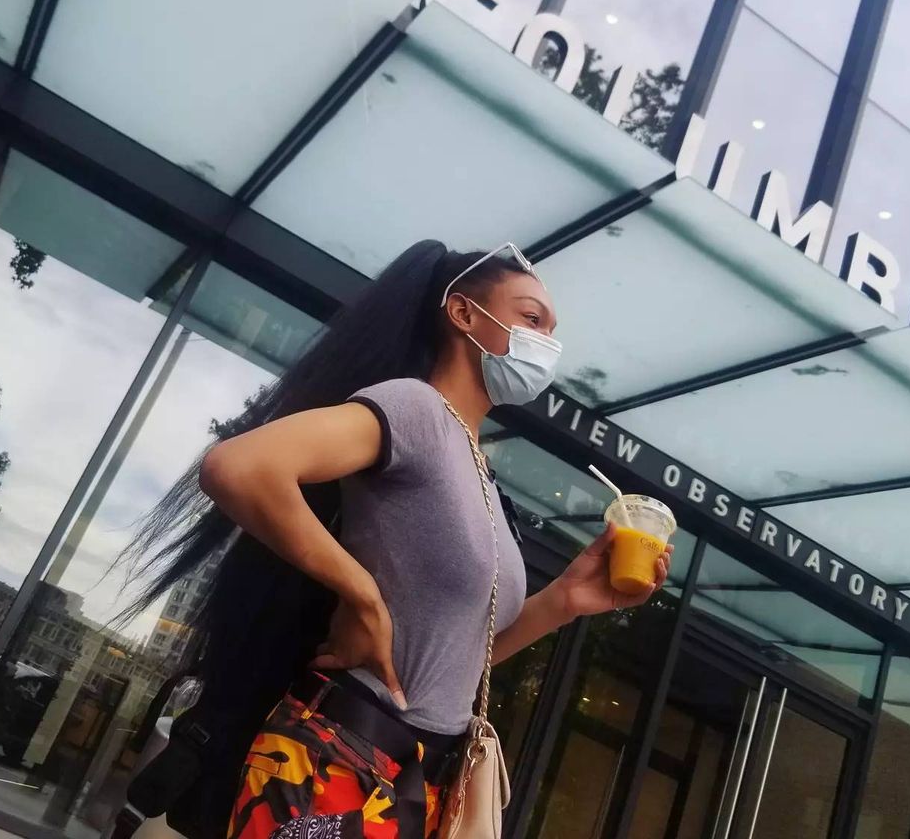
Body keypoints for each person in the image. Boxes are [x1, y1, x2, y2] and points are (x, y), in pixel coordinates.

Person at [120, 241, 671, 839]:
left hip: (418, 789)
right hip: (340, 768)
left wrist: (566, 599)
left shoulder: (481, 472)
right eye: (532, 318)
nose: (547, 344)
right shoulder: (416, 408)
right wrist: (361, 595)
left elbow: (450, 663)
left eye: (552, 331)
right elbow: (239, 466)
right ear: (463, 313)